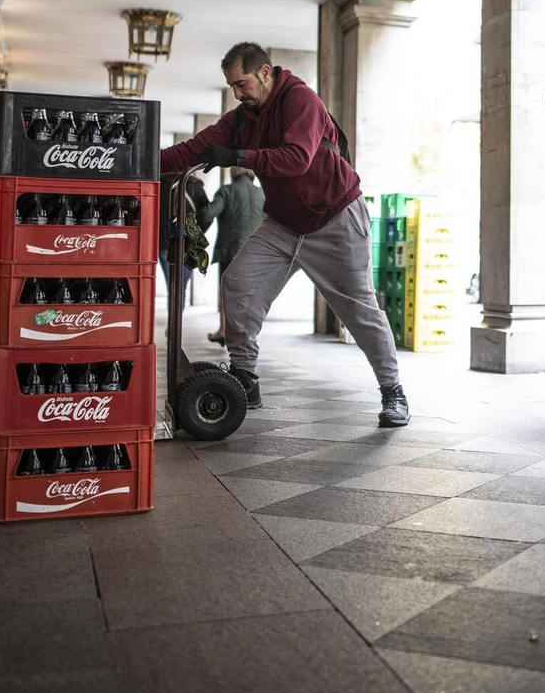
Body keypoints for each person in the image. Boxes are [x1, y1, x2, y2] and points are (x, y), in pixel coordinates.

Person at [160, 42, 410, 427]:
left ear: (265, 72)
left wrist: (239, 157)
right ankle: (245, 378)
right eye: (232, 87)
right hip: (282, 223)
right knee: (239, 283)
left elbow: (297, 158)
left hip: (335, 216)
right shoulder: (244, 117)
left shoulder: (301, 100)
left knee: (359, 310)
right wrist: (138, 159)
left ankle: (393, 391)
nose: (238, 93)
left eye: (242, 83)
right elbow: (195, 149)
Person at [207, 168, 265, 346]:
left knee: (226, 292)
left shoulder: (226, 191)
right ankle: (247, 333)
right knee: (250, 294)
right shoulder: (261, 195)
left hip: (230, 250)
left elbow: (208, 213)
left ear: (233, 173)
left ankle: (224, 330)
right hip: (255, 251)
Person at [160, 171, 219, 308]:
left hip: (165, 243)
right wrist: (196, 234)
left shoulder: (161, 185)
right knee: (180, 286)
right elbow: (207, 216)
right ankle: (175, 326)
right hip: (189, 244)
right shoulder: (195, 187)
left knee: (173, 286)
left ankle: (173, 324)